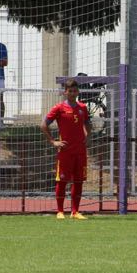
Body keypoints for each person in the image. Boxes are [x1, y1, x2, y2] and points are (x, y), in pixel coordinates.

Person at [42, 79, 91, 220]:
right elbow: (44, 124)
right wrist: (53, 141)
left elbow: (88, 124)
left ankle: (75, 212)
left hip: (80, 151)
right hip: (65, 151)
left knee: (78, 181)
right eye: (70, 91)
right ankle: (60, 211)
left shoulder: (82, 107)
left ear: (78, 92)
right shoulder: (59, 108)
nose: (73, 93)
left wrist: (88, 136)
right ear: (65, 92)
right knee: (62, 181)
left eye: (75, 91)